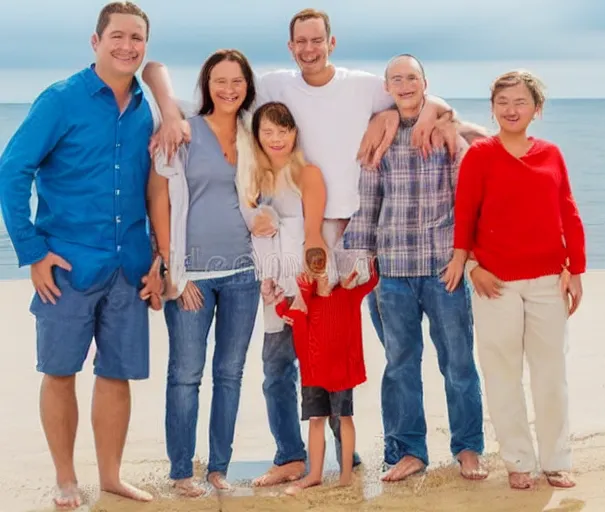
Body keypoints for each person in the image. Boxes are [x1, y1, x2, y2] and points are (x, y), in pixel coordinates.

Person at [143, 8, 467, 487]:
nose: (310, 49)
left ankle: (360, 454)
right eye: (301, 42)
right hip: (285, 239)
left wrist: (442, 114)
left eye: (318, 40)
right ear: (290, 46)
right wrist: (170, 110)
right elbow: (171, 78)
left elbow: (414, 93)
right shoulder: (274, 85)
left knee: (356, 350)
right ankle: (292, 455)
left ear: (331, 42)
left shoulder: (361, 85)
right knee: (279, 357)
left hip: (355, 236)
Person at [0, 2, 161, 509]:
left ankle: (111, 476)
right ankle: (67, 479)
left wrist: (159, 257)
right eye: (117, 36)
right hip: (66, 266)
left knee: (117, 375)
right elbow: (12, 170)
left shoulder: (147, 107)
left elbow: (156, 186)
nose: (127, 46)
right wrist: (32, 252)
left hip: (129, 264)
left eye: (136, 38)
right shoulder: (60, 100)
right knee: (61, 370)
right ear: (96, 41)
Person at [344, 55, 486, 483]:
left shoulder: (446, 131)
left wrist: (464, 256)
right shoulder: (380, 133)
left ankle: (468, 448)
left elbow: (468, 201)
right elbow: (368, 201)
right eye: (396, 79)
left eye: (411, 78)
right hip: (392, 272)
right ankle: (408, 451)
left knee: (458, 363)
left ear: (425, 83)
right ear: (387, 87)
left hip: (444, 269)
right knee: (399, 365)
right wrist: (359, 258)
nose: (404, 85)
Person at [453, 70, 586, 490]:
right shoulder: (479, 155)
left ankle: (556, 459)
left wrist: (576, 269)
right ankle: (517, 460)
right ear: (492, 107)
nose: (511, 110)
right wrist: (472, 266)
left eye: (520, 102)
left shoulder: (552, 153)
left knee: (551, 375)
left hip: (549, 280)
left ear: (537, 109)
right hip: (495, 283)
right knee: (501, 373)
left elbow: (568, 211)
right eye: (503, 102)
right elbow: (465, 214)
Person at [146, 49, 261, 496]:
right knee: (186, 374)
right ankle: (180, 471)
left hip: (244, 274)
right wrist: (177, 270)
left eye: (237, 81)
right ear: (206, 85)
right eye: (220, 81)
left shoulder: (255, 133)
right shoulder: (184, 129)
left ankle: (218, 468)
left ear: (248, 86)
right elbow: (159, 196)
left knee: (230, 374)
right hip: (192, 274)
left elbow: (267, 193)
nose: (229, 89)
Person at [275, 259, 379, 495]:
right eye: (317, 273)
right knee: (315, 420)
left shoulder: (348, 294)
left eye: (326, 272)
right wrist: (281, 296)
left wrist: (366, 262)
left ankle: (345, 476)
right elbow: (284, 311)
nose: (323, 277)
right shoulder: (306, 303)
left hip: (342, 372)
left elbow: (372, 279)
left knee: (344, 418)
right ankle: (314, 475)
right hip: (313, 374)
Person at [245, 101, 327, 335]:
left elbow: (313, 236)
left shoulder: (308, 174)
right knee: (274, 361)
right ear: (257, 136)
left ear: (294, 133)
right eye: (268, 132)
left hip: (301, 281)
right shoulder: (253, 178)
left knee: (312, 357)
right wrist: (266, 279)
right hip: (269, 285)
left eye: (283, 131)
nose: (276, 139)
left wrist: (306, 292)